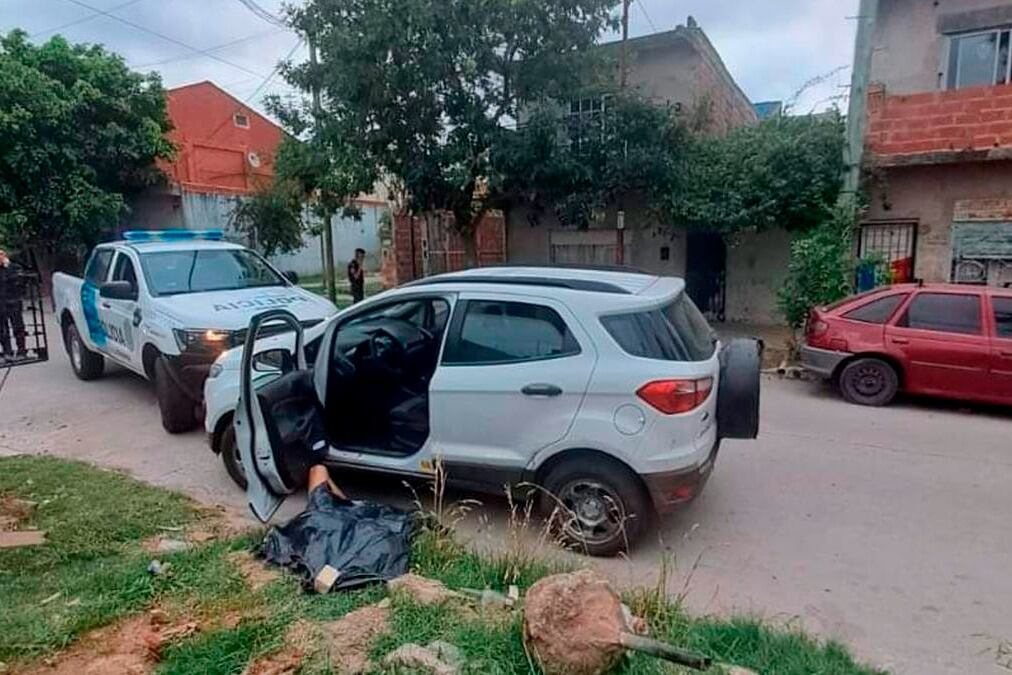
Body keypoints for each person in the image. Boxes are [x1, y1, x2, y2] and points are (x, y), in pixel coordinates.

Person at [0, 249, 27, 362]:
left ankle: (21, 351)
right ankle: (7, 352)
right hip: (1, 302)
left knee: (18, 326)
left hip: (13, 301)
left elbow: (21, 280)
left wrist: (8, 267)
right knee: (2, 329)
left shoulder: (14, 267)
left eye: (1, 254)